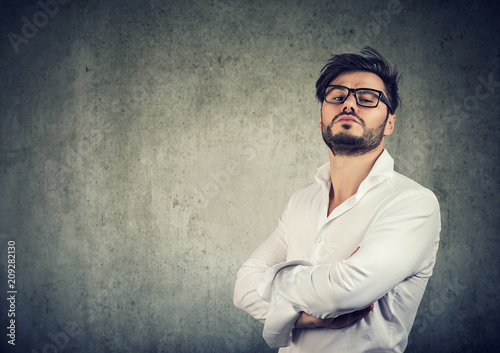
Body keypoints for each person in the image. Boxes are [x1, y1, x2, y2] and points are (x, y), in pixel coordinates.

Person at [233, 47, 441, 352]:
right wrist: (307, 318)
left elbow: (342, 294)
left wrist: (274, 282)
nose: (350, 104)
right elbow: (241, 290)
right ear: (321, 119)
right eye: (337, 96)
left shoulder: (413, 203)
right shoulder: (301, 200)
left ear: (390, 123)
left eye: (368, 98)